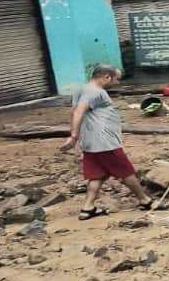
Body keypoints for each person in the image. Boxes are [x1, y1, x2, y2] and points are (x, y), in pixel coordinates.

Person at [60, 65, 154, 220]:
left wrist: (79, 135)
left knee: (97, 175)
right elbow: (79, 111)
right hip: (105, 142)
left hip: (91, 142)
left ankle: (87, 208)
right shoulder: (94, 92)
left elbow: (74, 112)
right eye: (116, 79)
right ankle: (145, 200)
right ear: (106, 77)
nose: (117, 83)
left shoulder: (81, 89)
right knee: (126, 172)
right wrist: (74, 135)